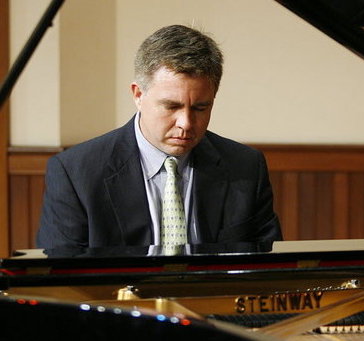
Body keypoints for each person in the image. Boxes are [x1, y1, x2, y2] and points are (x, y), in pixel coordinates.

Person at [36, 25, 282, 251]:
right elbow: (62, 278)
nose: (186, 123)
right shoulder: (76, 172)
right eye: (171, 106)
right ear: (138, 94)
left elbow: (267, 267)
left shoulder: (246, 166)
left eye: (199, 108)